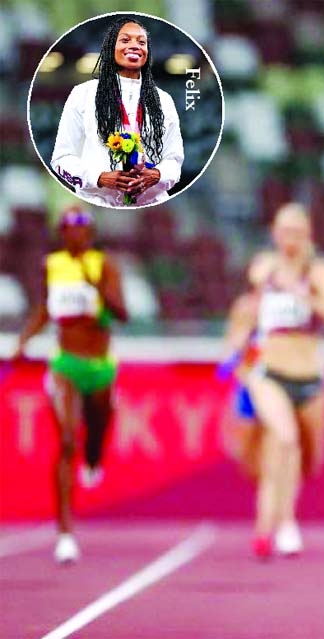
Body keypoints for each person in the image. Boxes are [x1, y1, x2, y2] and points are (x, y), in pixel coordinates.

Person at [13, 206, 129, 563]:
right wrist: (24, 340)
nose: (76, 234)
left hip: (99, 365)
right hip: (65, 362)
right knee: (65, 440)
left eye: (82, 228)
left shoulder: (104, 264)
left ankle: (93, 459)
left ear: (90, 233)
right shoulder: (54, 265)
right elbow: (46, 308)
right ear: (62, 233)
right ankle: (65, 532)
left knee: (95, 435)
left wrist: (98, 289)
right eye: (69, 228)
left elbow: (122, 314)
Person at [244, 203, 324, 558]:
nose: (289, 239)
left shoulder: (319, 272)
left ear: (308, 236)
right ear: (274, 233)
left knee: (305, 457)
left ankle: (282, 521)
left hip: (310, 378)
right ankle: (269, 527)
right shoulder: (266, 266)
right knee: (284, 439)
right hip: (270, 373)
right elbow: (256, 282)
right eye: (283, 231)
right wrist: (277, 279)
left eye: (296, 232)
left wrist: (303, 291)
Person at [51, 17, 184, 207]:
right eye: (125, 40)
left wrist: (156, 175)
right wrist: (100, 178)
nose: (134, 46)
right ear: (110, 48)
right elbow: (61, 159)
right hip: (97, 204)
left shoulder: (164, 100)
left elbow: (174, 160)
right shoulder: (84, 94)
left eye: (141, 42)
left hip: (150, 204)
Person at [221, 291, 263, 481]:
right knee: (248, 457)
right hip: (249, 388)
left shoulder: (289, 304)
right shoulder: (245, 306)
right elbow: (229, 356)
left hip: (279, 384)